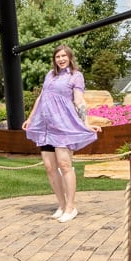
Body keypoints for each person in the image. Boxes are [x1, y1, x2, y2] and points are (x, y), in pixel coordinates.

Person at [23, 44, 101, 222]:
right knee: (50, 167)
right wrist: (31, 117)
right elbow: (41, 97)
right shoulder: (49, 75)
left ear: (70, 58)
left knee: (64, 165)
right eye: (58, 56)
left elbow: (79, 101)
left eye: (64, 56)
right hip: (45, 126)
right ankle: (61, 204)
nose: (61, 59)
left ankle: (71, 207)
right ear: (54, 59)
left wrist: (86, 124)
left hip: (63, 126)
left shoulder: (76, 76)